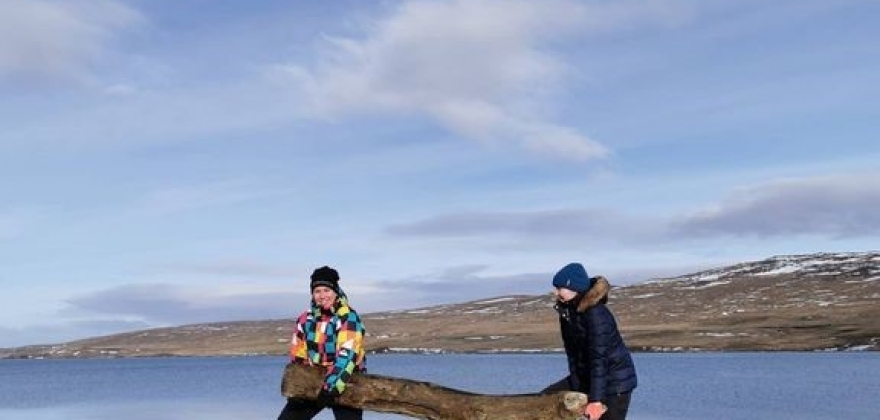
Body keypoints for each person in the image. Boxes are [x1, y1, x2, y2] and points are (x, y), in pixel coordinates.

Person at [542, 262, 637, 420]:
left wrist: (596, 401)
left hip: (615, 382)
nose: (555, 292)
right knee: (543, 399)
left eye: (559, 288)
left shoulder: (595, 314)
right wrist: (577, 387)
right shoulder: (568, 312)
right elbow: (573, 354)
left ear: (573, 288)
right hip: (588, 376)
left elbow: (599, 359)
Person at [277, 266, 367, 420]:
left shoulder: (347, 317)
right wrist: (298, 385)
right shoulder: (305, 319)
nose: (322, 295)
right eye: (317, 291)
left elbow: (347, 356)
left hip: (348, 379)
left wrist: (330, 389)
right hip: (315, 378)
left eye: (326, 290)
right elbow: (298, 355)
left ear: (335, 291)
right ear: (312, 294)